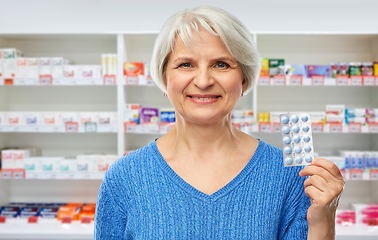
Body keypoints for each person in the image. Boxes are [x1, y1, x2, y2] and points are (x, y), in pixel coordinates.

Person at [94, 6, 344, 239]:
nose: (203, 81)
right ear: (163, 77)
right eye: (186, 64)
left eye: (221, 64)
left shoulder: (289, 175)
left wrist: (324, 222)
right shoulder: (124, 179)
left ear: (244, 79)